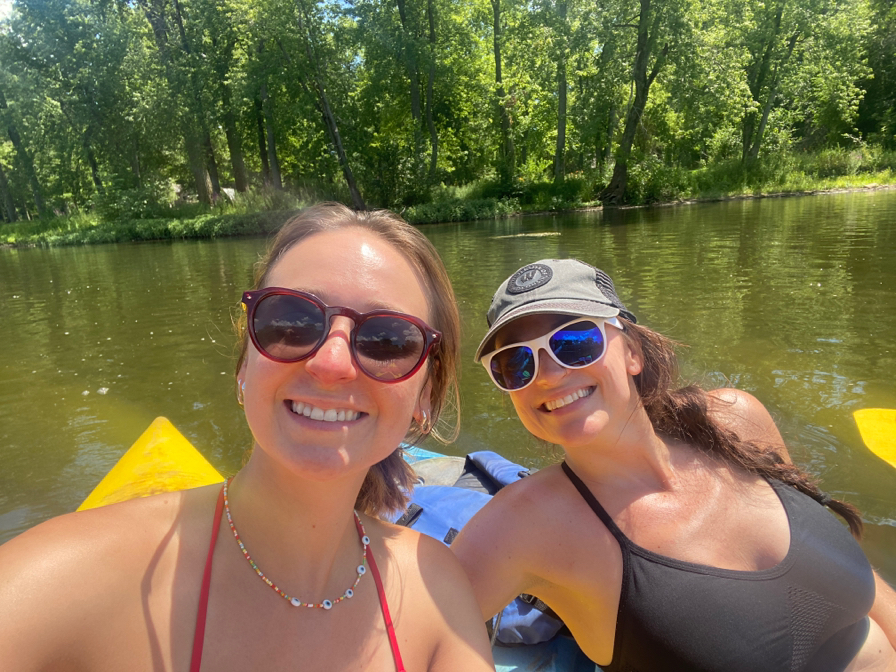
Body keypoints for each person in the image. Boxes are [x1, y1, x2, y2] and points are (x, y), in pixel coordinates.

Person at [0, 203, 494, 672]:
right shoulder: (70, 581)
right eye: (290, 322)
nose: (330, 363)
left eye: (388, 339)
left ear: (426, 395)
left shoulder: (436, 586)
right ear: (244, 366)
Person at [452, 258, 896, 672]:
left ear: (632, 354)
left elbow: (861, 587)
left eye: (574, 341)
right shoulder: (520, 527)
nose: (547, 374)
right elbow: (413, 639)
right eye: (516, 363)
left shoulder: (734, 421)